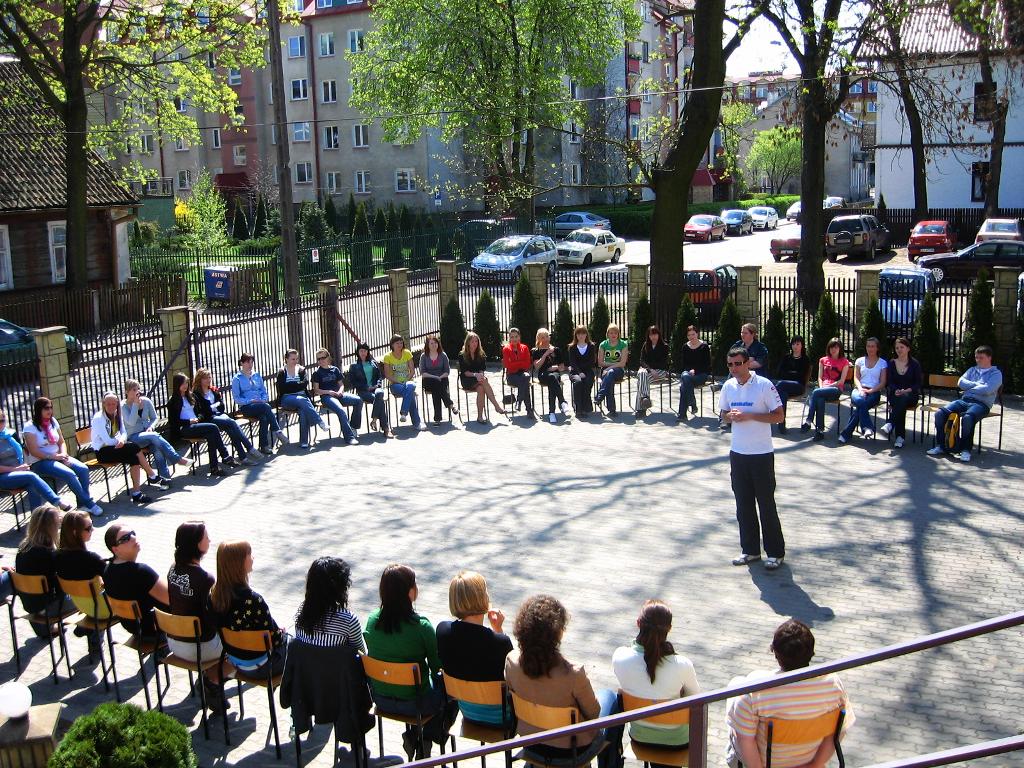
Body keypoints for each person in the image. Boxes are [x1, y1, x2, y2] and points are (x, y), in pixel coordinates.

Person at [505, 595, 623, 768]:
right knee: (610, 697)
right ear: (558, 633)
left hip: (532, 745)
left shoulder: (511, 662)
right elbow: (593, 713)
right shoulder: (573, 674)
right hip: (573, 752)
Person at [725, 619, 854, 768]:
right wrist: (816, 764)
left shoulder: (755, 690)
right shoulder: (833, 684)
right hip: (809, 760)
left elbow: (745, 740)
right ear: (812, 652)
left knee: (735, 687)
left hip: (768, 764)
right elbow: (840, 729)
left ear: (776, 655)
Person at [363, 564, 456, 759]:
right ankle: (423, 740)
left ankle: (419, 738)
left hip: (380, 699)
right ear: (409, 592)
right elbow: (437, 667)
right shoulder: (421, 626)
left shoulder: (372, 621)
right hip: (416, 704)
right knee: (450, 692)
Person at [720, 347, 786, 570]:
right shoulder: (728, 386)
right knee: (743, 504)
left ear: (747, 363)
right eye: (730, 365)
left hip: (761, 454)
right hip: (738, 453)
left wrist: (750, 416)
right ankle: (750, 550)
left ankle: (775, 552)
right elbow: (723, 414)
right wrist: (729, 417)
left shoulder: (764, 385)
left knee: (766, 504)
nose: (734, 369)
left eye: (738, 364)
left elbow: (779, 415)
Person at [612, 600, 700, 751]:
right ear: (669, 628)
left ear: (638, 623)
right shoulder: (682, 664)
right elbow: (695, 698)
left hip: (640, 737)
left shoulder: (620, 656)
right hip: (676, 741)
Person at [436, 571, 513, 726]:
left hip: (467, 712)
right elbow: (513, 676)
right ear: (483, 598)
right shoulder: (500, 642)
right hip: (502, 717)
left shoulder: (442, 630)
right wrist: (498, 630)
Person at [166, 521, 228, 707]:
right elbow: (212, 617)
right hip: (200, 647)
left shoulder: (172, 570)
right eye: (206, 537)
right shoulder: (205, 578)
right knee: (240, 651)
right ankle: (213, 680)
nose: (209, 539)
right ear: (196, 544)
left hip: (175, 643)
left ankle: (208, 677)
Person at [210, 540, 287, 677]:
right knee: (298, 644)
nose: (253, 558)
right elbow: (275, 640)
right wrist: (281, 633)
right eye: (249, 554)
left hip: (236, 662)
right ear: (239, 563)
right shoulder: (253, 599)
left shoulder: (215, 595)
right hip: (264, 666)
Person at [23, 397, 103, 517]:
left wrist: (63, 455)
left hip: (58, 456)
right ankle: (88, 502)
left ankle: (82, 503)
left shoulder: (53, 421)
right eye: (46, 408)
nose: (49, 411)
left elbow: (61, 442)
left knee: (83, 469)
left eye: (51, 407)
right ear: (38, 410)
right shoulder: (30, 427)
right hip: (41, 461)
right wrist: (55, 457)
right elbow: (34, 451)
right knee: (69, 474)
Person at [928, 345, 1003, 463]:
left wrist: (970, 387)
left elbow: (988, 390)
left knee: (968, 418)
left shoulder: (996, 373)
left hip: (982, 404)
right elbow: (960, 382)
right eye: (976, 357)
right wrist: (977, 385)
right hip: (964, 400)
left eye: (981, 358)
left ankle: (965, 450)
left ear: (989, 358)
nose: (978, 360)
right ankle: (941, 446)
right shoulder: (972, 370)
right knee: (940, 414)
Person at [102, 525, 170, 642]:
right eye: (125, 538)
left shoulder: (107, 570)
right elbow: (172, 599)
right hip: (155, 629)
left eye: (133, 533)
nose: (133, 538)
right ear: (115, 549)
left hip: (133, 628)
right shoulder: (141, 571)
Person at [90, 392, 160, 503]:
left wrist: (122, 440)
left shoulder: (117, 414)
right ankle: (152, 475)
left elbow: (123, 432)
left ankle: (137, 493)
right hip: (103, 451)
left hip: (116, 446)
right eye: (109, 404)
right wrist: (121, 442)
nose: (112, 406)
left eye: (114, 404)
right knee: (134, 447)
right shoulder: (99, 418)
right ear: (103, 404)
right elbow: (107, 440)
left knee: (134, 458)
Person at [14, 504, 72, 637]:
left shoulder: (23, 548)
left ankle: (45, 629)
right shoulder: (48, 554)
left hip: (29, 604)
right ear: (51, 527)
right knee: (90, 596)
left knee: (36, 591)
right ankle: (92, 635)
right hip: (49, 606)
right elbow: (61, 587)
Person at [0, 409, 70, 510]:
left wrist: (24, 466)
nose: (1, 424)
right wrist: (17, 469)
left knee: (32, 485)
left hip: (19, 472)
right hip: (3, 476)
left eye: (2, 421)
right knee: (31, 476)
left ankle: (36, 520)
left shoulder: (11, 434)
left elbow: (22, 452)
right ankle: (57, 501)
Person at [167, 372, 233, 477]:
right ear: (177, 384)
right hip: (185, 428)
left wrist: (198, 418)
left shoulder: (191, 396)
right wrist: (189, 421)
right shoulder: (173, 401)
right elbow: (173, 422)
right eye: (183, 383)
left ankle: (214, 468)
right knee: (213, 427)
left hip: (197, 424)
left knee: (211, 435)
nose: (185, 386)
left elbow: (201, 412)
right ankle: (225, 455)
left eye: (187, 383)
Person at [122, 380, 192, 477]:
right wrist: (135, 405)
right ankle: (177, 459)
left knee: (156, 447)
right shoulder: (123, 406)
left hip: (149, 434)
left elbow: (155, 418)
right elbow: (131, 422)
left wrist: (151, 426)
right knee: (154, 436)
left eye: (138, 389)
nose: (137, 392)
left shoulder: (146, 401)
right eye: (134, 390)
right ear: (126, 392)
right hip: (133, 437)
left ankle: (165, 479)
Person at [192, 368, 263, 464]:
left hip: (220, 415)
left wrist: (213, 406)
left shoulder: (213, 390)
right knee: (232, 422)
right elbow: (205, 411)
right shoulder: (196, 394)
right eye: (205, 378)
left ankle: (243, 458)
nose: (208, 380)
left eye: (209, 377)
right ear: (199, 379)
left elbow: (222, 407)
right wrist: (214, 405)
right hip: (209, 418)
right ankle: (249, 447)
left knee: (231, 429)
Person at [293, 556, 365, 649]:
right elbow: (361, 652)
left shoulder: (303, 612)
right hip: (336, 663)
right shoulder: (348, 620)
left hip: (305, 662)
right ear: (341, 587)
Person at [55, 511, 110, 631]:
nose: (93, 529)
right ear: (75, 532)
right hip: (103, 610)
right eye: (89, 528)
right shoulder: (92, 559)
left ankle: (89, 630)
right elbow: (114, 582)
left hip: (81, 606)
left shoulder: (56, 556)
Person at [230, 353, 286, 454]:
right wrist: (250, 401)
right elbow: (237, 398)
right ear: (242, 363)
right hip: (247, 407)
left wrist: (263, 399)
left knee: (264, 417)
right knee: (267, 407)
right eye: (247, 362)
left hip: (261, 405)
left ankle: (263, 446)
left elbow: (263, 391)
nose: (250, 364)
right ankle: (277, 430)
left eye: (251, 362)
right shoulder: (237, 378)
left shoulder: (256, 375)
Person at [276, 349, 330, 450]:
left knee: (303, 410)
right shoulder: (282, 372)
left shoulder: (301, 369)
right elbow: (282, 387)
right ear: (286, 359)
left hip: (302, 398)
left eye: (296, 359)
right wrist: (297, 385)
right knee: (302, 400)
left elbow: (304, 384)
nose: (295, 361)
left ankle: (304, 441)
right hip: (287, 398)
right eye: (293, 359)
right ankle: (320, 422)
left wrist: (292, 385)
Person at [839, 337, 888, 444]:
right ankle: (867, 427)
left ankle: (846, 433)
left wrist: (871, 391)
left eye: (872, 346)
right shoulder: (859, 361)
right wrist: (861, 389)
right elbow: (856, 378)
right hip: (859, 390)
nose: (870, 349)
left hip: (874, 392)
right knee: (861, 401)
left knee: (861, 407)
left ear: (877, 348)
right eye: (868, 346)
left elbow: (883, 383)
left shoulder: (882, 363)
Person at [801, 339, 851, 442]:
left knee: (816, 393)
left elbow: (841, 381)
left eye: (836, 347)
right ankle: (820, 431)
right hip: (822, 389)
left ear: (840, 348)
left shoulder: (845, 362)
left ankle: (809, 420)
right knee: (819, 398)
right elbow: (819, 377)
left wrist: (826, 387)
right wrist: (821, 386)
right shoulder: (823, 360)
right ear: (828, 348)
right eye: (831, 347)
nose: (833, 349)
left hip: (835, 389)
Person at [310, 349, 360, 445]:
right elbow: (316, 390)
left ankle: (353, 426)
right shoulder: (317, 373)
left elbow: (341, 384)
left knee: (358, 400)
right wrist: (329, 392)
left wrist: (340, 391)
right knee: (341, 410)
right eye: (318, 359)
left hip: (339, 394)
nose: (321, 360)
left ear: (328, 357)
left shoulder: (335, 369)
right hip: (327, 397)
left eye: (323, 358)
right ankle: (349, 437)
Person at [882, 337, 922, 449]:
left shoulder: (915, 364)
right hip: (896, 394)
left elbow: (918, 383)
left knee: (903, 399)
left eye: (902, 347)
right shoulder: (892, 363)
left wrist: (906, 390)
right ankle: (899, 437)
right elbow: (890, 382)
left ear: (908, 348)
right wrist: (896, 390)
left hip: (911, 395)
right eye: (897, 347)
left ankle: (891, 423)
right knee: (900, 401)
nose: (899, 350)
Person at [382, 334, 426, 431]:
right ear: (392, 345)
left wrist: (406, 380)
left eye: (401, 343)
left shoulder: (407, 353)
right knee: (410, 394)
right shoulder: (387, 357)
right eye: (397, 343)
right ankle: (417, 423)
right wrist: (398, 381)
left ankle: (404, 413)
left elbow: (412, 371)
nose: (400, 345)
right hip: (395, 384)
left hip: (408, 382)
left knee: (410, 387)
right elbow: (387, 375)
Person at [460, 332, 505, 424]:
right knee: (483, 381)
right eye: (472, 341)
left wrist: (480, 374)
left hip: (478, 380)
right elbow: (465, 372)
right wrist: (475, 375)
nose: (474, 343)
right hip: (467, 379)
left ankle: (480, 417)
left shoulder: (481, 354)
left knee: (481, 388)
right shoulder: (462, 355)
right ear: (468, 343)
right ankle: (496, 406)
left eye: (476, 341)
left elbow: (481, 369)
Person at [348, 343, 390, 437]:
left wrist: (377, 385)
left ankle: (374, 420)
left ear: (368, 352)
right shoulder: (354, 366)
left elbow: (380, 376)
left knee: (380, 393)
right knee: (380, 401)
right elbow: (353, 382)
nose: (363, 353)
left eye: (365, 351)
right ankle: (386, 428)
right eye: (361, 351)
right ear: (358, 352)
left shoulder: (373, 363)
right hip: (363, 391)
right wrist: (366, 387)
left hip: (375, 389)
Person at [772, 336, 811, 435]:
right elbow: (779, 372)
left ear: (802, 345)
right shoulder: (786, 358)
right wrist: (792, 373)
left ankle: (771, 406)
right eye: (793, 344)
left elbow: (801, 376)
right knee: (783, 394)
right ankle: (781, 422)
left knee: (780, 384)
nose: (795, 346)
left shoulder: (805, 359)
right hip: (785, 387)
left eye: (798, 344)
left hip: (799, 386)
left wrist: (789, 374)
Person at [532, 328, 571, 424]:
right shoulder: (536, 351)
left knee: (552, 379)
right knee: (551, 379)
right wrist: (545, 354)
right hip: (543, 374)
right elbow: (536, 367)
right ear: (538, 339)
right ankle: (562, 402)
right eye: (542, 337)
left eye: (546, 337)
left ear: (549, 337)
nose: (545, 339)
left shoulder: (556, 350)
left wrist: (555, 367)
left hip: (555, 374)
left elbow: (562, 367)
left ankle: (552, 413)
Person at [419, 335, 458, 424]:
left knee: (437, 388)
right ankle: (451, 405)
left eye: (435, 343)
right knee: (436, 385)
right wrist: (435, 377)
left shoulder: (443, 355)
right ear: (427, 345)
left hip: (442, 379)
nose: (434, 345)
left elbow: (447, 371)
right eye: (431, 343)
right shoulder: (423, 356)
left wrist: (440, 377)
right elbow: (423, 372)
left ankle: (437, 418)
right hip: (429, 380)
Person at [677, 326, 712, 423]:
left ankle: (683, 414)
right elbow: (684, 364)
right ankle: (692, 403)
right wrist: (689, 370)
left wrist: (695, 370)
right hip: (688, 373)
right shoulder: (685, 346)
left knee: (683, 386)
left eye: (693, 334)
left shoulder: (704, 346)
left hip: (701, 374)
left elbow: (707, 365)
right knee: (685, 377)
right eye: (689, 335)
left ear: (697, 334)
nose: (691, 337)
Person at [634, 326, 670, 418]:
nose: (653, 337)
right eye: (651, 335)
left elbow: (663, 363)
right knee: (642, 376)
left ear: (658, 334)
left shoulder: (665, 346)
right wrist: (650, 369)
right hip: (648, 371)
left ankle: (640, 409)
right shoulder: (646, 345)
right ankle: (645, 399)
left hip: (660, 372)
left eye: (655, 334)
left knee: (641, 381)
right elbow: (642, 360)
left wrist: (651, 369)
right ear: (648, 336)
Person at [595, 324, 629, 416]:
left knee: (610, 374)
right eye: (611, 333)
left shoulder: (623, 344)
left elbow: (622, 363)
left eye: (615, 333)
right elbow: (600, 363)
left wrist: (610, 367)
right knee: (609, 379)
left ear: (618, 334)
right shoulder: (603, 344)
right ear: (608, 334)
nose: (613, 335)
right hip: (605, 370)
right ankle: (612, 410)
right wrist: (613, 365)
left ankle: (600, 396)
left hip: (619, 371)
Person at [502, 328, 535, 419]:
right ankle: (529, 409)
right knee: (525, 381)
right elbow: (509, 366)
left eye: (516, 336)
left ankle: (519, 401)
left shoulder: (524, 348)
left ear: (519, 337)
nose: (514, 339)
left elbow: (527, 364)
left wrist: (515, 363)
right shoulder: (506, 349)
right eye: (512, 337)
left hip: (523, 374)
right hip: (511, 375)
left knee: (525, 377)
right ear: (509, 338)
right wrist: (520, 363)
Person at [567, 326, 598, 418]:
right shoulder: (572, 347)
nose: (581, 336)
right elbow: (573, 363)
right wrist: (579, 372)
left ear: (586, 335)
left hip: (588, 371)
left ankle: (586, 407)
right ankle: (579, 409)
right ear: (575, 335)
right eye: (578, 333)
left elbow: (592, 361)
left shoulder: (591, 346)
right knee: (578, 382)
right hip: (575, 371)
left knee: (588, 381)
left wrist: (584, 371)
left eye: (583, 333)